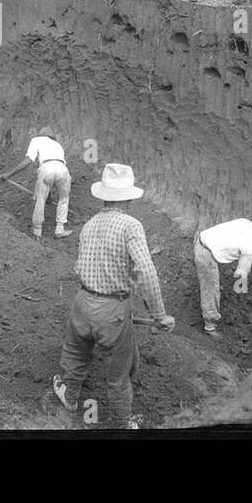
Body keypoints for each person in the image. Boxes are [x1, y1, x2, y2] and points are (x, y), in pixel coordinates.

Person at [53, 164, 175, 429]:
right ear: (129, 197)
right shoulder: (131, 225)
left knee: (75, 353)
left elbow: (79, 266)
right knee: (118, 376)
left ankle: (70, 396)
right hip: (113, 311)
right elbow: (146, 271)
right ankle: (122, 423)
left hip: (82, 303)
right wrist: (159, 315)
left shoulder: (88, 225)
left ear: (103, 195)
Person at [194, 213, 252, 334]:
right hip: (206, 255)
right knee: (211, 289)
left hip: (201, 239)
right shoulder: (251, 248)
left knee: (212, 281)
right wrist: (240, 290)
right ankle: (210, 325)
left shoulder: (245, 222)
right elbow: (241, 271)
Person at [0, 127, 74, 239]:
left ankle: (37, 231)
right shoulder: (57, 145)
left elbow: (28, 161)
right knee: (64, 199)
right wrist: (49, 195)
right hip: (63, 169)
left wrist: (9, 174)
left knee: (40, 200)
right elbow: (56, 170)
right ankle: (60, 229)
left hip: (46, 168)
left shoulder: (36, 140)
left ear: (41, 134)